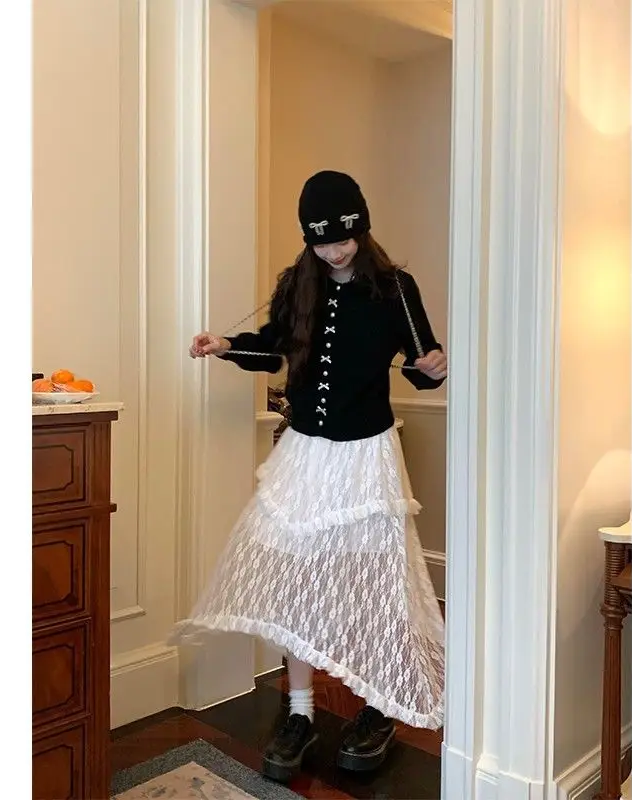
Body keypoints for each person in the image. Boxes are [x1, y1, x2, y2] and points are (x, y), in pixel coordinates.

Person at [169, 170, 447, 783]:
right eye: (321, 242)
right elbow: (274, 348)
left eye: (342, 238)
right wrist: (226, 346)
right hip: (305, 454)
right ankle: (300, 712)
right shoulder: (297, 284)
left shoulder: (394, 288)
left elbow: (421, 363)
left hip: (365, 456)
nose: (334, 251)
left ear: (361, 228)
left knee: (372, 584)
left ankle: (377, 707)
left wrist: (433, 368)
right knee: (296, 581)